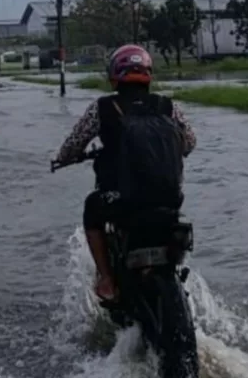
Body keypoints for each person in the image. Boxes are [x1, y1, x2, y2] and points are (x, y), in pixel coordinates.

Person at [54, 44, 196, 301]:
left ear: (114, 74)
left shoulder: (102, 108)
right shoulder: (168, 106)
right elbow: (190, 142)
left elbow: (72, 145)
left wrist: (64, 159)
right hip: (170, 199)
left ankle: (107, 279)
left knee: (91, 208)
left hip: (123, 201)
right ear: (148, 72)